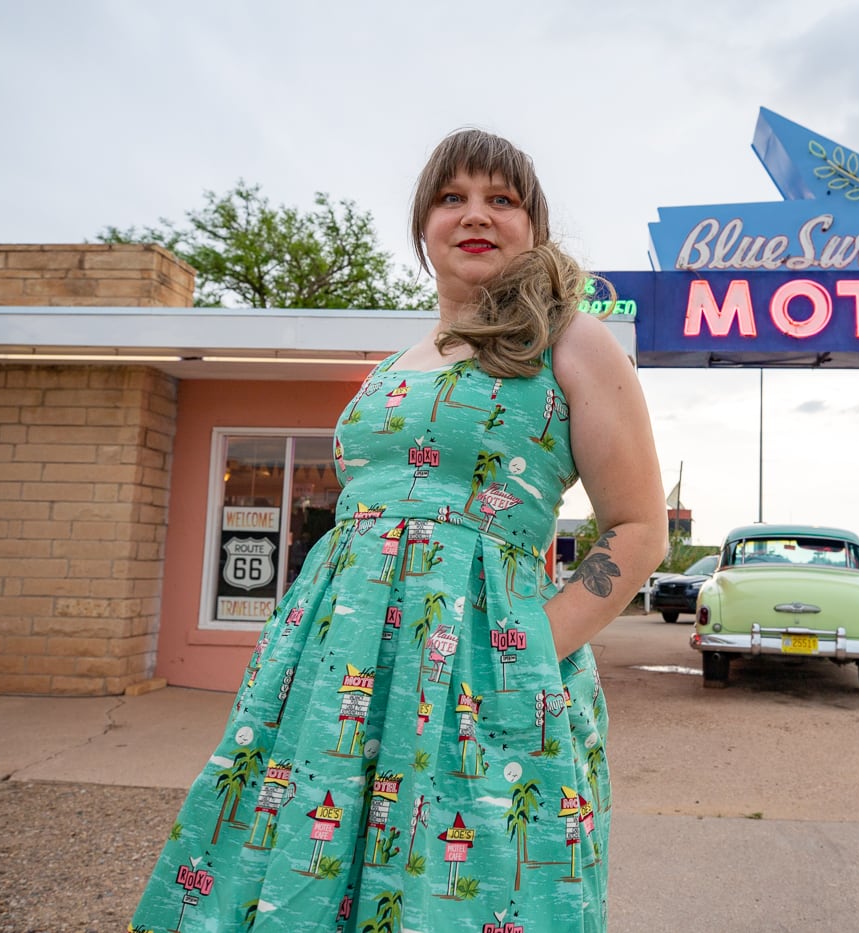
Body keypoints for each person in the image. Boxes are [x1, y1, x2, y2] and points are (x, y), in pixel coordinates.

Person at [130, 129, 667, 932]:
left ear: (534, 226)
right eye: (452, 198)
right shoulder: (394, 364)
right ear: (424, 226)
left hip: (484, 671)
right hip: (334, 677)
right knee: (295, 869)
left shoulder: (571, 343)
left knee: (474, 884)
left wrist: (523, 650)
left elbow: (638, 528)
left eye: (502, 199)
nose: (475, 215)